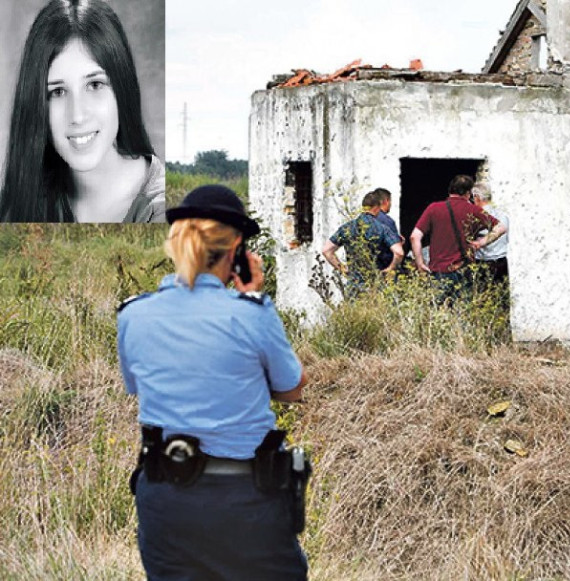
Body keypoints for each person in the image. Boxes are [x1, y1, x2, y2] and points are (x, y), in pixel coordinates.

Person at [117, 185, 308, 580]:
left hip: (165, 500)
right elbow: (292, 389)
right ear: (236, 247)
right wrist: (254, 296)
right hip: (246, 500)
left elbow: (137, 384)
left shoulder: (134, 315)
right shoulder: (252, 315)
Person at [0, 0, 164, 223]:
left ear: (122, 88)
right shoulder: (18, 204)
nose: (77, 115)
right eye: (57, 91)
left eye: (95, 85)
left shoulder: (164, 212)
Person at [410, 175, 507, 300]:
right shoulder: (473, 210)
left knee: (437, 314)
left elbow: (414, 237)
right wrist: (481, 243)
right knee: (463, 313)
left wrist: (420, 263)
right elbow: (501, 227)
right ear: (468, 193)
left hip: (438, 271)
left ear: (450, 190)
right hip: (463, 270)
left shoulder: (433, 208)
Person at [322, 190, 404, 294]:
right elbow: (399, 253)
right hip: (376, 285)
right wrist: (390, 269)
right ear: (377, 207)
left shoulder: (347, 228)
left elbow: (326, 251)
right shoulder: (382, 228)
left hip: (354, 285)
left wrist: (342, 268)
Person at [471, 182, 510, 286]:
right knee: (502, 296)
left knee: (483, 297)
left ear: (477, 197)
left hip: (483, 263)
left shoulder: (475, 217)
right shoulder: (503, 215)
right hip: (502, 261)